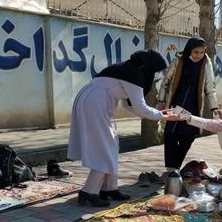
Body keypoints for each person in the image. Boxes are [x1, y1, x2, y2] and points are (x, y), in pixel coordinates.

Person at [68, 49, 180, 207]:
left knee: (111, 144)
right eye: (156, 71)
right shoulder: (134, 73)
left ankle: (109, 188)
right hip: (94, 103)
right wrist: (162, 116)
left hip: (92, 100)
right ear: (149, 66)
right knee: (105, 148)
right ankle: (89, 192)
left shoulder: (131, 68)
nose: (156, 76)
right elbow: (140, 107)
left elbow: (129, 106)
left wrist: (158, 114)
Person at [156, 37, 222, 171]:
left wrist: (215, 107)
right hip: (174, 104)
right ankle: (171, 169)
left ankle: (176, 165)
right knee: (170, 135)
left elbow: (210, 87)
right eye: (195, 52)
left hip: (193, 107)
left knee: (188, 138)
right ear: (189, 51)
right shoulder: (178, 61)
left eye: (201, 52)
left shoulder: (206, 65)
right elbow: (166, 82)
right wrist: (161, 100)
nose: (198, 55)